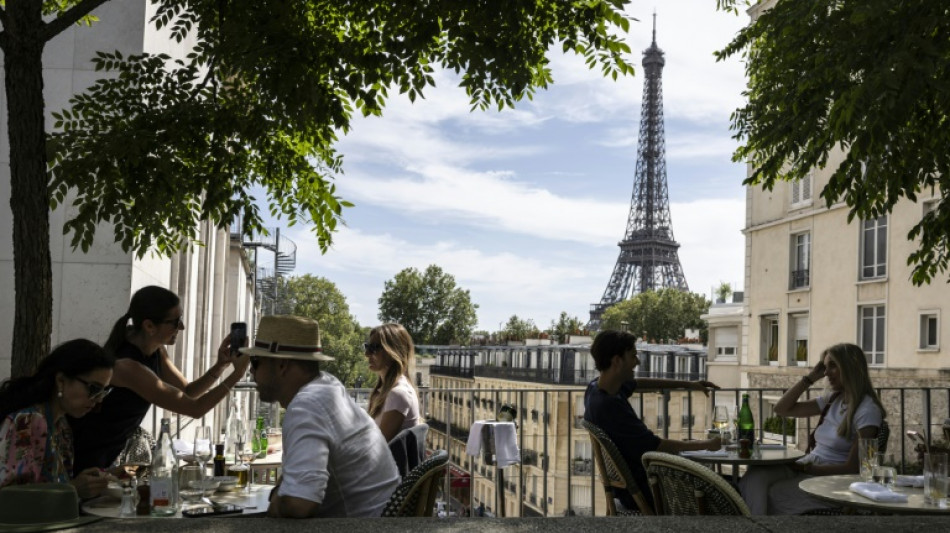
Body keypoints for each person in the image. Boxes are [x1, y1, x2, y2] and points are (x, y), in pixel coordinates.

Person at [69, 285, 250, 472]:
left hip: (105, 455)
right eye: (175, 321)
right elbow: (195, 409)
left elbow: (188, 392)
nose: (182, 326)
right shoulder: (130, 367)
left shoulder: (155, 350)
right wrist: (237, 374)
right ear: (149, 326)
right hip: (85, 456)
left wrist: (220, 365)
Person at [244, 315, 400, 518]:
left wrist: (274, 504)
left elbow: (298, 504)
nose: (250, 371)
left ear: (282, 365)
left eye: (255, 362)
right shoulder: (327, 385)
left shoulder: (306, 406)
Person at [739, 343, 886, 515]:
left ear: (850, 368)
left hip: (831, 478)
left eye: (833, 366)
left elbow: (853, 469)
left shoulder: (867, 410)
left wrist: (807, 469)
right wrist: (809, 379)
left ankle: (760, 524)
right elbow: (782, 409)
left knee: (775, 493)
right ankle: (753, 524)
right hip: (810, 464)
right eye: (824, 367)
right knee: (755, 477)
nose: (825, 373)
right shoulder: (834, 399)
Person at [583, 330, 721, 512]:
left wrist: (688, 384)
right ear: (617, 361)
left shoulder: (596, 390)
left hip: (629, 488)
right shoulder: (610, 407)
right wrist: (707, 444)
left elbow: (639, 383)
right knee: (728, 491)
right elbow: (657, 446)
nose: (638, 362)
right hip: (652, 490)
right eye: (633, 357)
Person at [0, 339, 114, 498]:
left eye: (103, 392)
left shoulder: (61, 424)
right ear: (61, 381)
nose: (99, 400)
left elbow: (50, 485)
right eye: (94, 389)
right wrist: (73, 489)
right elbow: (12, 499)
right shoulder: (30, 421)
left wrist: (96, 480)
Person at [365, 323, 421, 442]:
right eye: (367, 347)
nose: (367, 354)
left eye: (374, 348)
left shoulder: (398, 394)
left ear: (392, 351)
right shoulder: (388, 390)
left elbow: (377, 447)